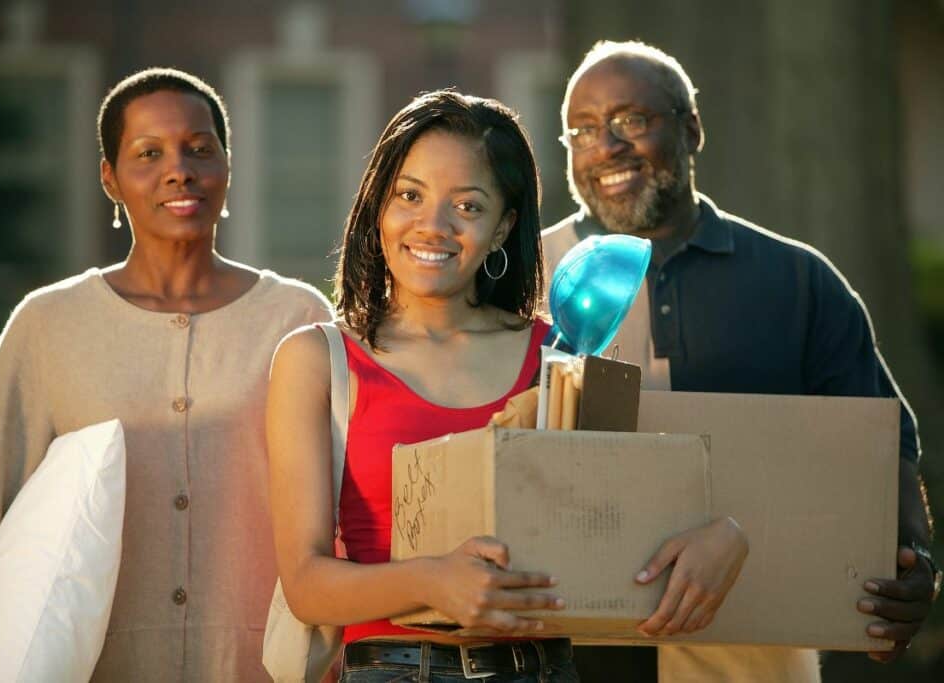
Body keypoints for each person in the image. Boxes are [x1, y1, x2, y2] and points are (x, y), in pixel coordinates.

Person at [265, 89, 749, 682]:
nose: (432, 225)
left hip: (542, 669)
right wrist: (431, 580)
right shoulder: (317, 359)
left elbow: (627, 527)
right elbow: (307, 586)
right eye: (409, 196)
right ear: (378, 207)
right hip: (393, 670)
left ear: (503, 228)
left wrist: (726, 534)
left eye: (467, 206)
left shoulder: (559, 359)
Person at [542, 40, 938, 682]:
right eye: (582, 131)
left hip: (755, 656)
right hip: (570, 656)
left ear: (692, 128)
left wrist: (916, 560)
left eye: (632, 121)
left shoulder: (801, 282)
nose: (606, 146)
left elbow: (884, 447)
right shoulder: (529, 283)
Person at [0, 68, 332, 682]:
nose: (179, 170)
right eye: (148, 154)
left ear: (227, 164)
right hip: (100, 664)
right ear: (110, 178)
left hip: (261, 666)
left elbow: (346, 504)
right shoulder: (48, 324)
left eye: (199, 148)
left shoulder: (299, 318)